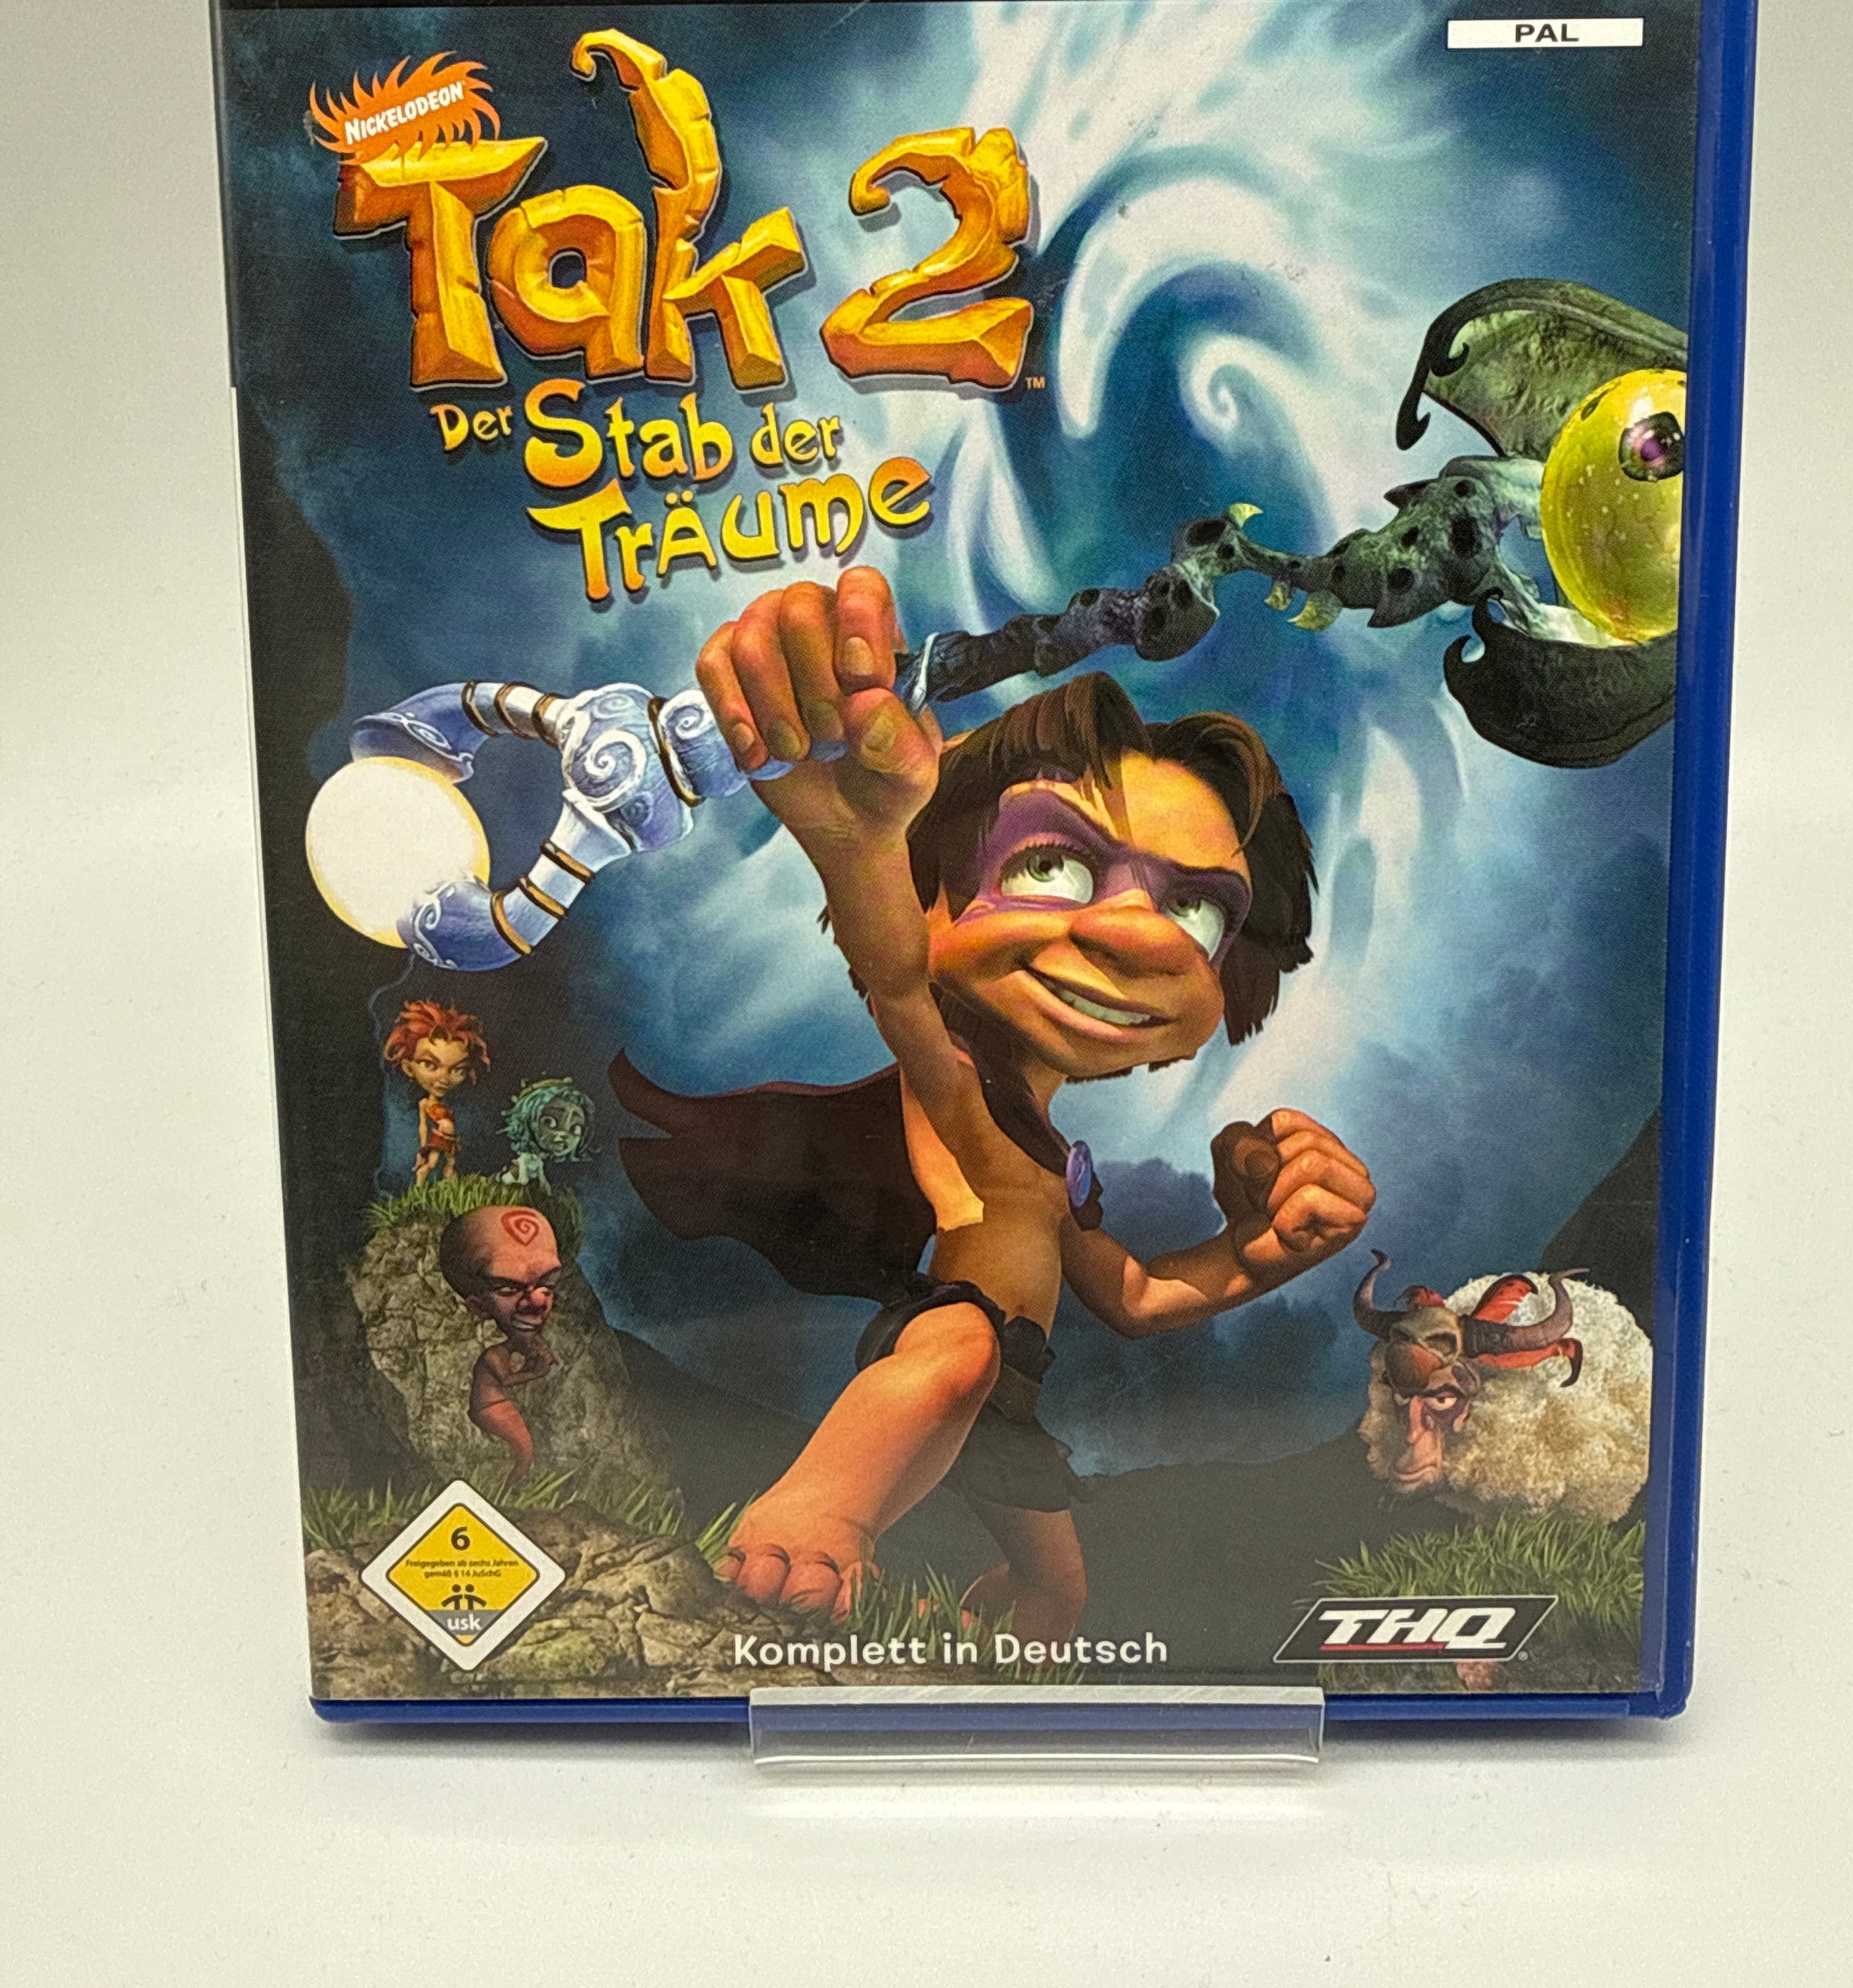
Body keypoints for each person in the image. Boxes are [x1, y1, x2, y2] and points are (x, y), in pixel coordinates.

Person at [623, 566, 1373, 1639]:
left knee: (1055, 1583)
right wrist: (857, 845)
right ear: (933, 891)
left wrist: (1266, 1251)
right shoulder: (956, 1083)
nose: (1136, 936)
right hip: (949, 1336)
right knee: (958, 1356)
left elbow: (1135, 1298)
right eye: (1053, 864)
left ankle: (1010, 1632)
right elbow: (896, 982)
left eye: (1197, 913)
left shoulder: (1050, 1158)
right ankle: (810, 1513)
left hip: (1012, 1385)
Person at [436, 1203, 562, 1474]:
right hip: (488, 1407)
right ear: (478, 1306)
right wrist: (534, 1372)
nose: (538, 1301)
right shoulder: (491, 1354)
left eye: (548, 1286)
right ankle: (512, 1487)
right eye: (507, 1290)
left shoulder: (517, 1341)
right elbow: (505, 1380)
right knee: (523, 1453)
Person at [386, 999, 490, 1185]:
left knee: (450, 1167)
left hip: (450, 1138)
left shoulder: (448, 1105)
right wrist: (423, 1148)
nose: (444, 1078)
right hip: (438, 1138)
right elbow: (423, 1127)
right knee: (431, 1165)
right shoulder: (425, 1104)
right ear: (408, 1068)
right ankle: (419, 1187)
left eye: (458, 1070)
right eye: (430, 1065)